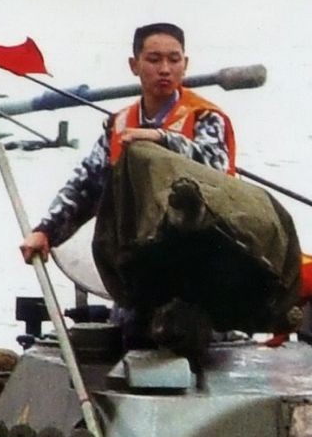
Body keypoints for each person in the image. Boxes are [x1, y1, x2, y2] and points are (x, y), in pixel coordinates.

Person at [19, 22, 236, 264]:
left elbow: (216, 169)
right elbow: (86, 186)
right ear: (135, 65)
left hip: (201, 256)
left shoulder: (204, 117)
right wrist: (45, 231)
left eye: (174, 60)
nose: (165, 69)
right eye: (154, 60)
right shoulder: (119, 126)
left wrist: (162, 139)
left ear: (185, 64)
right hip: (140, 258)